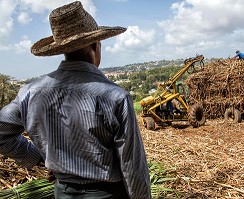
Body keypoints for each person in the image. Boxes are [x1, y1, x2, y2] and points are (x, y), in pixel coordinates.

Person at [0, 1, 151, 199]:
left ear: (62, 50)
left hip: (62, 193)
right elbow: (133, 167)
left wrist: (39, 157)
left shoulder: (29, 92)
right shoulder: (114, 96)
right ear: (96, 45)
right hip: (107, 194)